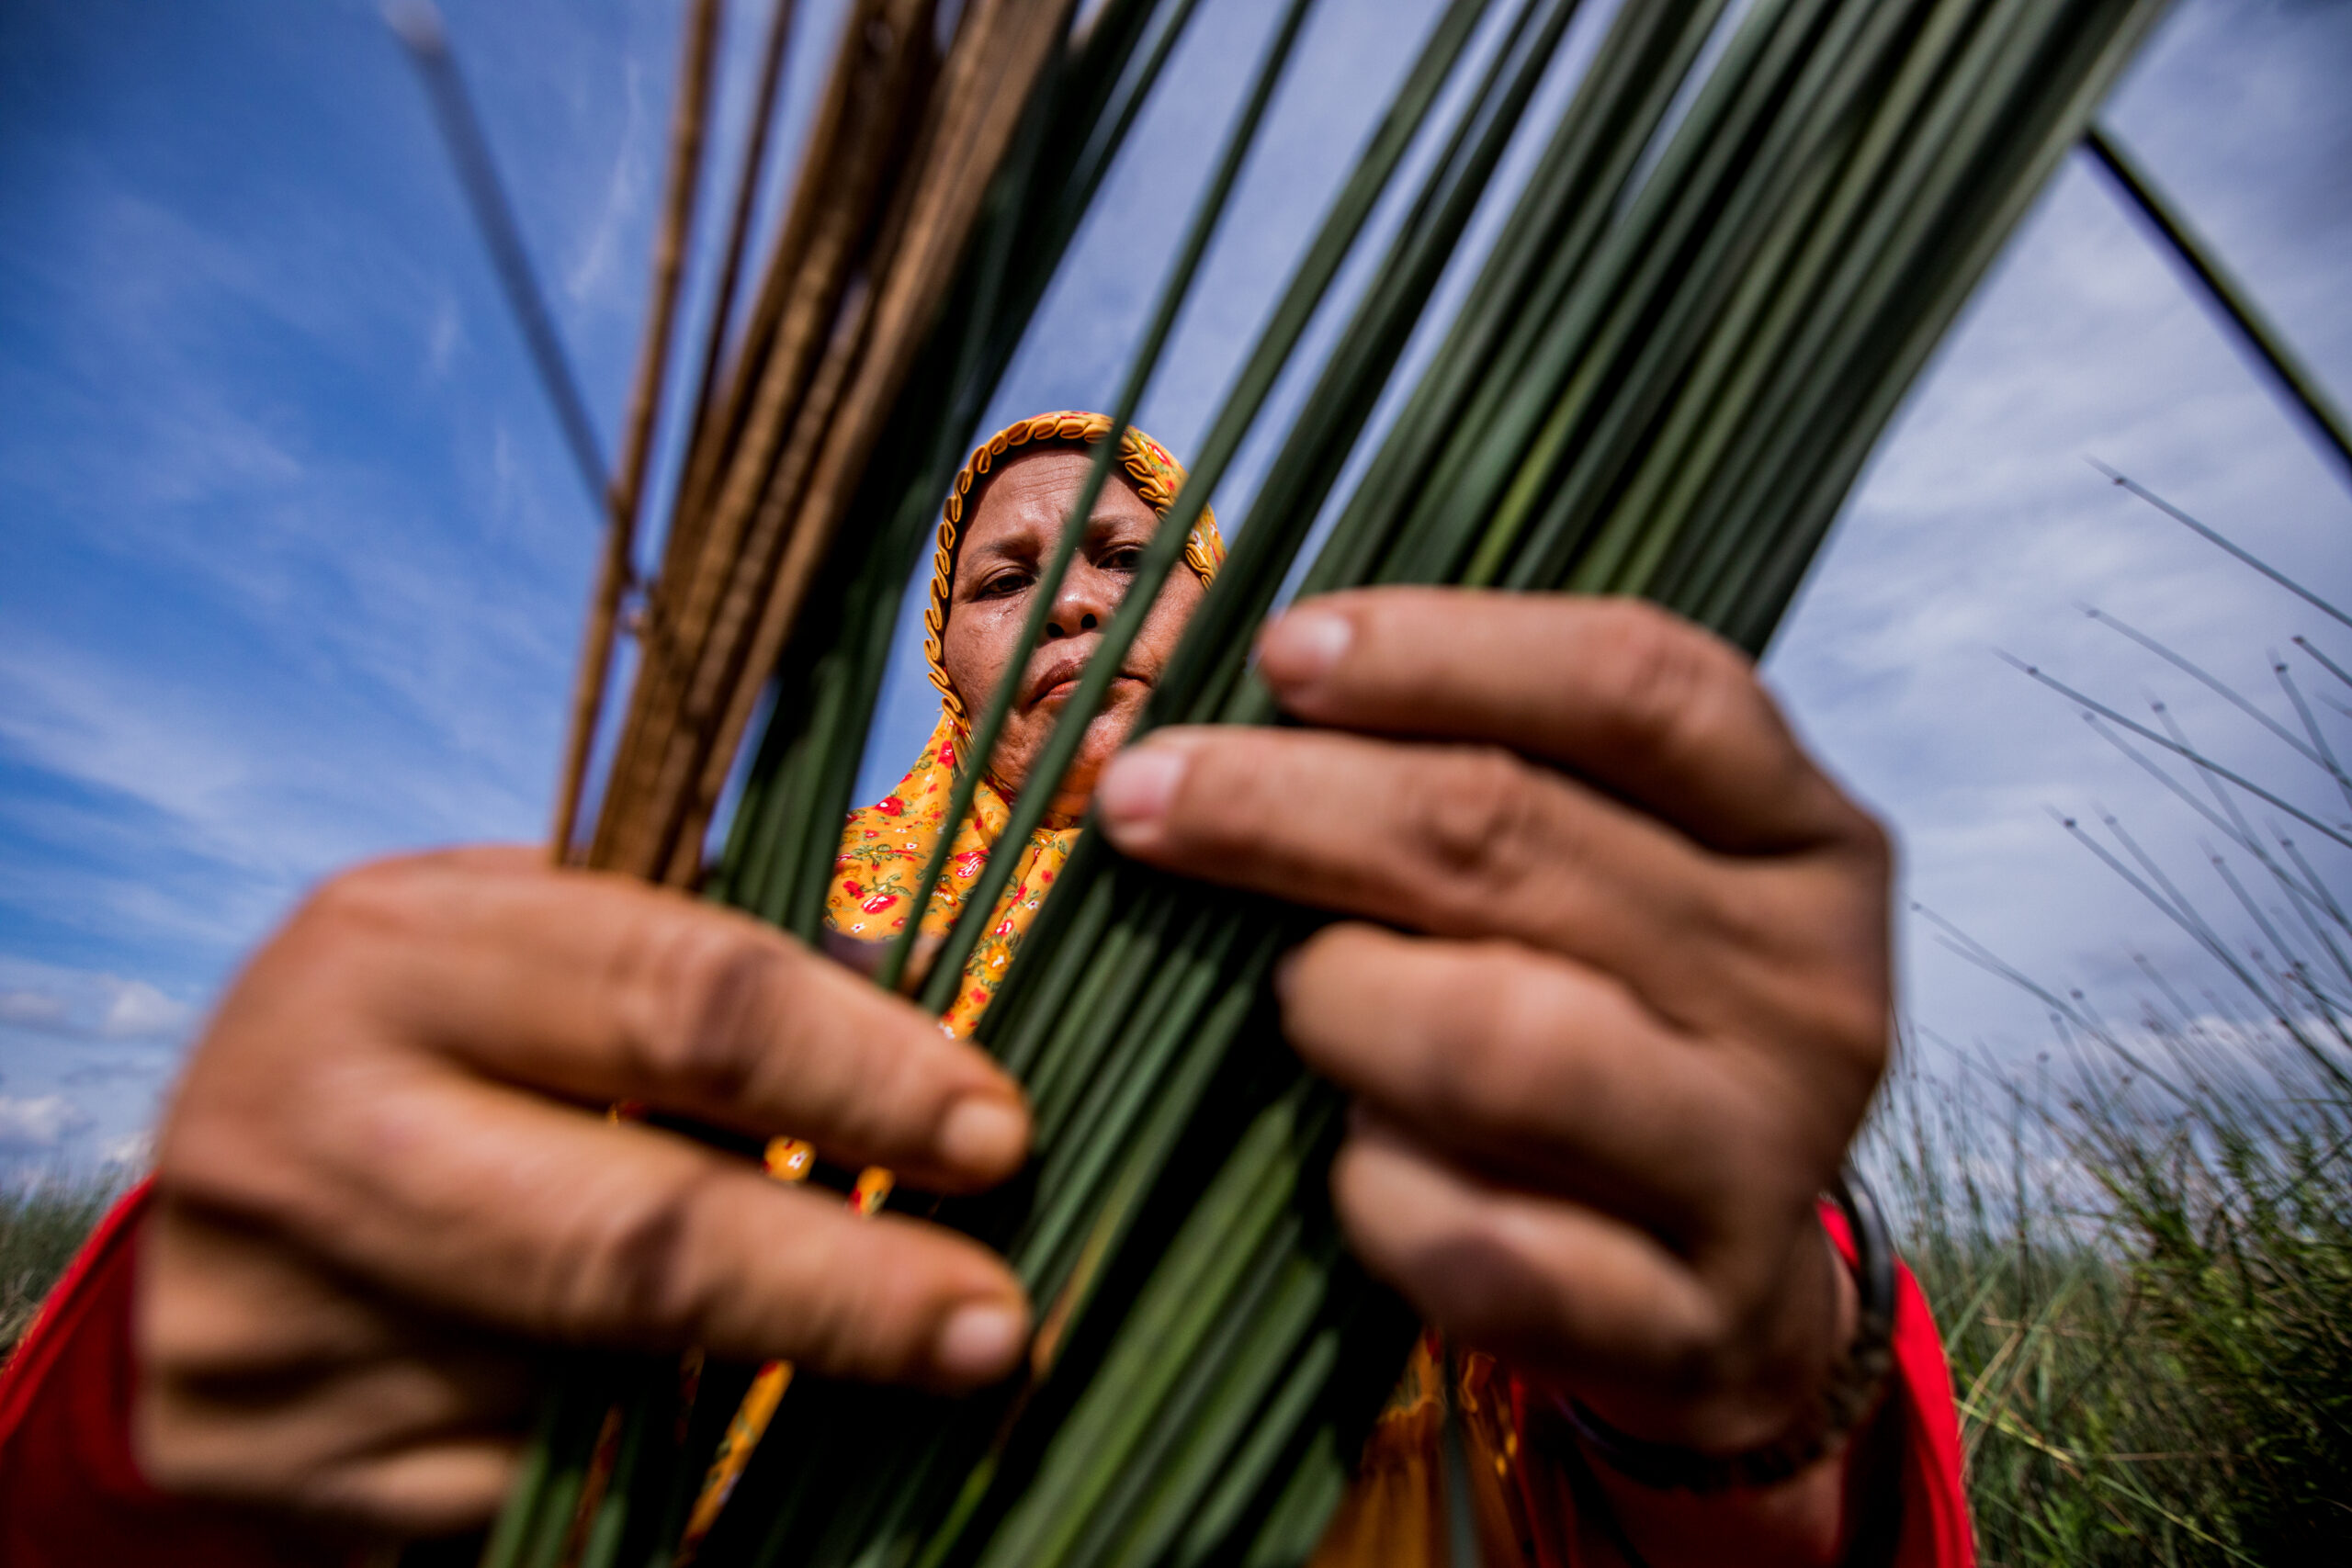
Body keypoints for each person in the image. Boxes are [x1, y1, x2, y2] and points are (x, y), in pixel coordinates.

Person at [0, 413, 1970, 1567]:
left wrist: (1756, 1331)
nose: (1070, 597)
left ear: (1220, 591)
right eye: (1004, 573)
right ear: (941, 652)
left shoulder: (1445, 920)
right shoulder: (738, 946)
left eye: (1126, 550)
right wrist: (203, 1320)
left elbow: (1734, 1481)